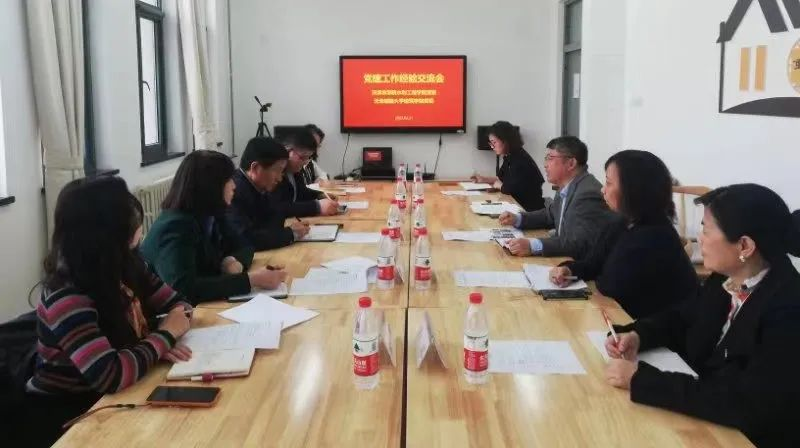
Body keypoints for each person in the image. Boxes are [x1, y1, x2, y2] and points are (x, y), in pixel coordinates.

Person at [604, 184, 800, 447]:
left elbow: (746, 403)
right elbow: (682, 317)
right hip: (702, 421)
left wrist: (642, 380)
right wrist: (638, 335)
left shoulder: (788, 309)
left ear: (744, 245)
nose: (700, 238)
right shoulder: (725, 278)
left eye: (706, 230)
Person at [25, 176, 193, 445]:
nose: (138, 226)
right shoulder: (66, 296)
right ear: (106, 232)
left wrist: (158, 342)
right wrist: (163, 337)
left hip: (122, 394)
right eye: (129, 219)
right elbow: (110, 376)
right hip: (71, 413)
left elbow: (179, 304)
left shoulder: (125, 264)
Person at [549, 150, 698, 318]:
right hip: (618, 316)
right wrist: (568, 269)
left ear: (633, 189)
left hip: (645, 327)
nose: (603, 190)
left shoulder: (655, 236)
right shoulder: (621, 221)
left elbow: (611, 287)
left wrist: (590, 276)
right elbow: (593, 264)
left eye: (609, 183)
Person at [140, 150, 286, 304]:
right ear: (210, 186)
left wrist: (231, 261)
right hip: (170, 312)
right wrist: (251, 279)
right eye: (228, 180)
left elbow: (245, 245)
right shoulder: (176, 226)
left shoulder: (212, 214)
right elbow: (184, 288)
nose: (234, 185)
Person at [498, 136, 618, 259]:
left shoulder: (587, 194)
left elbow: (578, 242)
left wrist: (532, 245)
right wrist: (518, 218)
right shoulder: (567, 185)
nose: (545, 165)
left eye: (550, 158)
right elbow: (550, 215)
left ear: (571, 163)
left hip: (579, 264)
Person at [228, 137, 311, 250]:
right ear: (255, 168)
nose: (280, 179)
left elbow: (275, 218)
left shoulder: (260, 187)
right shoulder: (233, 191)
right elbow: (244, 239)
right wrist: (290, 233)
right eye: (277, 170)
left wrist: (290, 231)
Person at [471, 121, 545, 211]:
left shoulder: (520, 160)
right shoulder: (510, 156)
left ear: (506, 140)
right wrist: (484, 179)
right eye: (491, 143)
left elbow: (510, 189)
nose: (492, 147)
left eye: (494, 142)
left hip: (528, 210)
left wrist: (500, 186)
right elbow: (501, 179)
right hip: (516, 205)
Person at [272, 128, 339, 217]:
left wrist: (319, 195)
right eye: (302, 157)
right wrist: (317, 207)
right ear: (287, 151)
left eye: (308, 158)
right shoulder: (274, 173)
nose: (305, 162)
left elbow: (302, 193)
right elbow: (278, 207)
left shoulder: (294, 170)